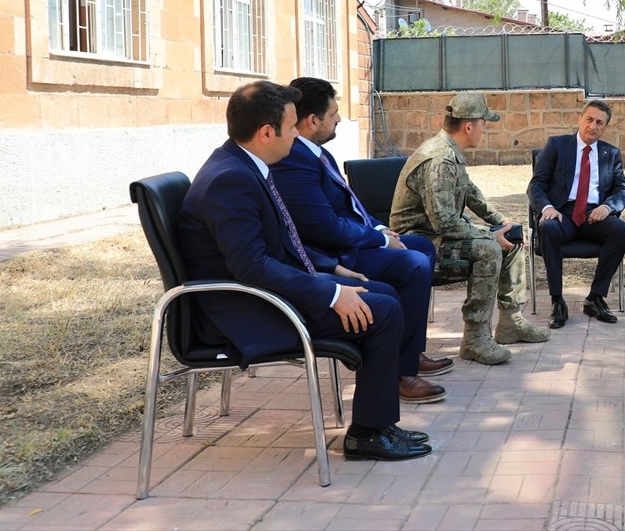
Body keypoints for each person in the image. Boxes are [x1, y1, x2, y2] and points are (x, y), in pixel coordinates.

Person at [178, 81, 429, 462]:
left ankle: (378, 424)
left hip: (262, 292)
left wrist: (333, 268)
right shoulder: (230, 180)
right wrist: (329, 293)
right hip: (245, 311)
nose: (297, 135)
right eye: (292, 127)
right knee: (385, 311)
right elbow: (252, 265)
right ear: (267, 133)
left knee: (381, 293)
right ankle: (366, 434)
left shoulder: (243, 164)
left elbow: (279, 242)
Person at [269, 77, 451, 405]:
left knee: (421, 247)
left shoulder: (316, 152)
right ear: (313, 121)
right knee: (413, 263)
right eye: (334, 113)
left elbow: (351, 206)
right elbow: (322, 226)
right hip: (333, 255)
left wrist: (380, 231)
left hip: (349, 242)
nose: (339, 119)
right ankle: (401, 373)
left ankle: (409, 351)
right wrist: (378, 242)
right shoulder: (294, 160)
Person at [390, 91, 550, 365]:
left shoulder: (450, 151)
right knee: (488, 249)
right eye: (484, 123)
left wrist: (502, 223)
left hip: (437, 236)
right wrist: (490, 235)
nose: (485, 129)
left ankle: (510, 321)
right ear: (468, 126)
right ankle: (475, 338)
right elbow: (444, 222)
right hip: (418, 245)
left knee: (510, 240)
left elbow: (472, 195)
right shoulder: (439, 159)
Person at [527, 99, 625, 328]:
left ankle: (595, 298)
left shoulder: (610, 153)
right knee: (547, 227)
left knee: (621, 229)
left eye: (600, 123)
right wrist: (547, 208)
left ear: (605, 127)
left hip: (594, 215)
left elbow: (623, 190)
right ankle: (557, 302)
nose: (593, 126)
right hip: (561, 214)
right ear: (580, 119)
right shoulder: (556, 145)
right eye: (590, 119)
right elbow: (536, 185)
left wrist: (608, 207)